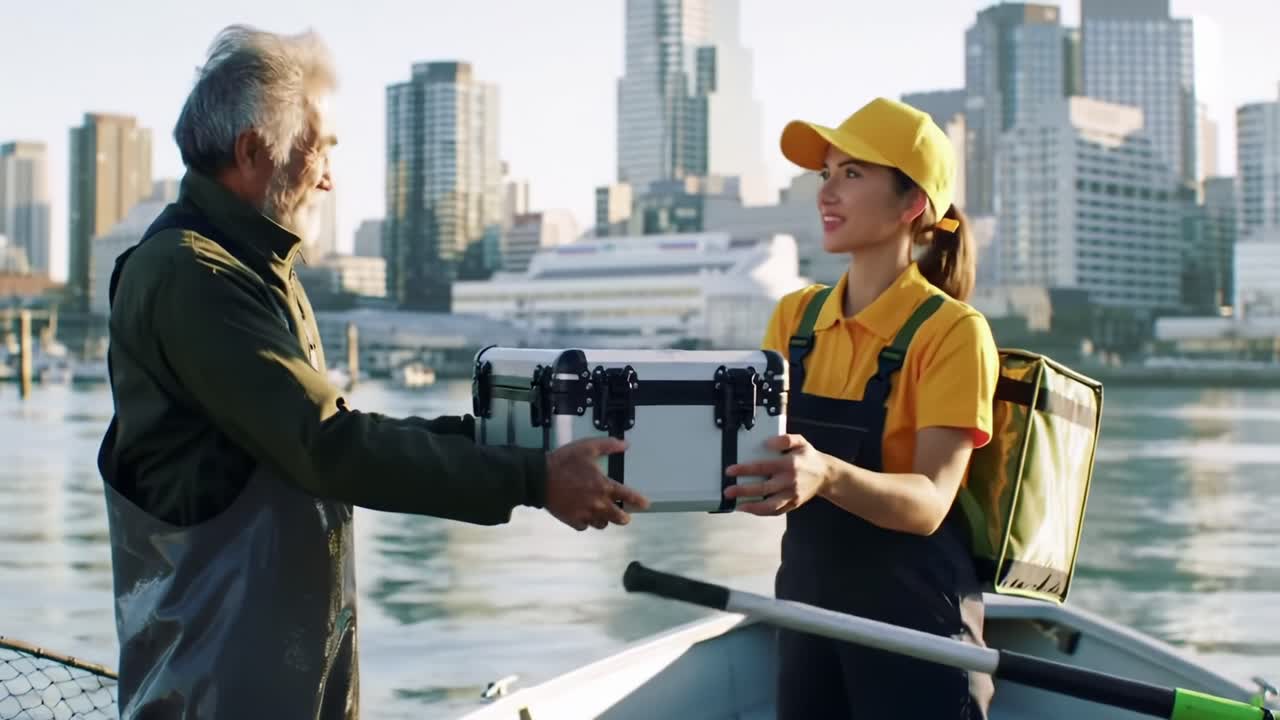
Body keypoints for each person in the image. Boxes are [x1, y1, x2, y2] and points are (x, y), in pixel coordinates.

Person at [97, 25, 648, 719]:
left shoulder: (256, 268)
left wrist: (519, 442)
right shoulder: (192, 274)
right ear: (252, 152)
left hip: (263, 671)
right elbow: (326, 445)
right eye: (319, 149)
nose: (330, 174)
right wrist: (531, 478)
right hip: (218, 686)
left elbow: (329, 434)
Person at [722, 97, 1000, 718]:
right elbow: (763, 462)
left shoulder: (952, 332)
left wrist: (825, 473)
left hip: (917, 629)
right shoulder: (794, 318)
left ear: (912, 205)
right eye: (825, 174)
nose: (827, 192)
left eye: (852, 174)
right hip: (805, 614)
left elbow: (930, 503)